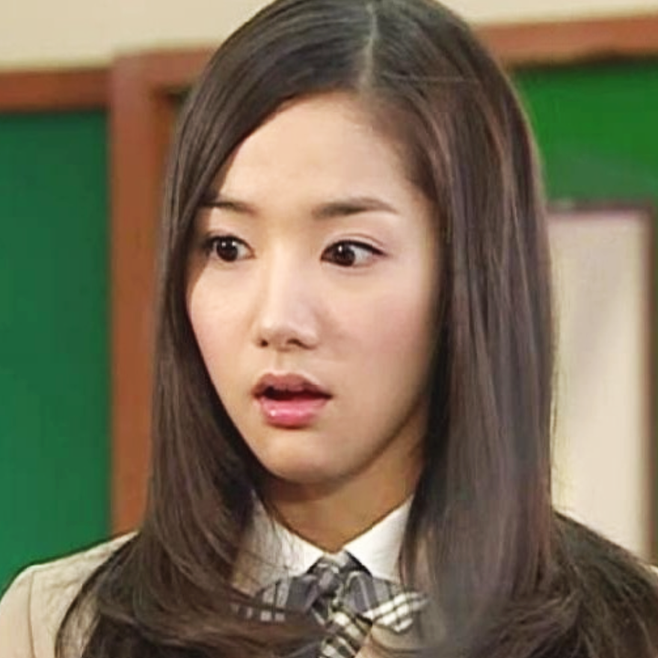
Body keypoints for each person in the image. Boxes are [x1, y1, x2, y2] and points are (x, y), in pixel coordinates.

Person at [2, 0, 658, 656]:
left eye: (346, 253)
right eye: (227, 247)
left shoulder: (631, 631)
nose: (278, 321)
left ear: (470, 276)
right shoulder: (53, 630)